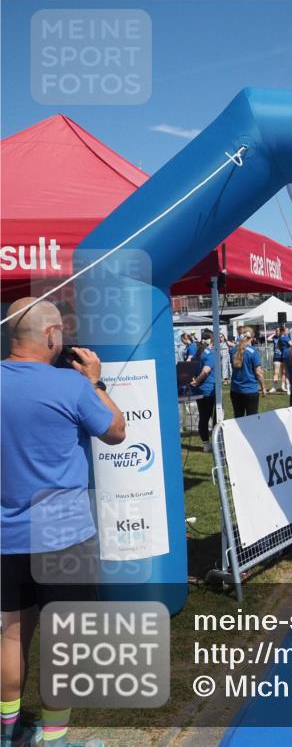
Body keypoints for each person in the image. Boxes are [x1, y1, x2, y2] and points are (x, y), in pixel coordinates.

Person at [2, 298, 126, 747]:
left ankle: (8, 731)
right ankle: (54, 737)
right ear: (52, 334)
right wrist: (95, 381)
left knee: (11, 634)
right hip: (63, 534)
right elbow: (115, 430)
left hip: (5, 534)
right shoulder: (70, 386)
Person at [188, 329, 218, 451]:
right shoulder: (210, 353)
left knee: (203, 417)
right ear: (211, 340)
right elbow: (206, 371)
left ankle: (206, 444)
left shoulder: (197, 352)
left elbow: (188, 365)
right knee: (216, 417)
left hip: (199, 391)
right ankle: (217, 444)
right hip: (209, 390)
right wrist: (197, 381)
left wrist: (194, 381)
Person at [229, 328, 266, 417]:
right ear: (252, 337)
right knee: (252, 420)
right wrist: (263, 388)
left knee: (238, 419)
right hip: (250, 390)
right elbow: (258, 373)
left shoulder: (233, 350)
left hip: (235, 390)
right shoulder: (254, 351)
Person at [269, 325, 290, 393]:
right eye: (276, 331)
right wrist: (273, 334)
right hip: (277, 356)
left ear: (281, 331)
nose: (278, 332)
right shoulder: (275, 338)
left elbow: (289, 344)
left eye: (278, 331)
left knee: (284, 372)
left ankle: (283, 386)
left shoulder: (285, 337)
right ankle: (274, 387)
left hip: (283, 356)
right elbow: (268, 339)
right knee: (276, 372)